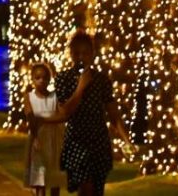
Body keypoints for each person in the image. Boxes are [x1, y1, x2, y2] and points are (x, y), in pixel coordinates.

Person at [44, 32, 130, 196]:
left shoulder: (101, 80)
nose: (81, 57)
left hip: (98, 140)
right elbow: (65, 112)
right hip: (77, 141)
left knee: (97, 189)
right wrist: (80, 87)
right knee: (86, 187)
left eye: (85, 53)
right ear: (71, 54)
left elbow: (113, 113)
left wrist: (126, 140)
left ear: (92, 54)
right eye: (77, 53)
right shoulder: (64, 78)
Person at [22, 63, 61, 196]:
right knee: (40, 179)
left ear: (49, 79)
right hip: (38, 139)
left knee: (54, 179)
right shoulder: (29, 97)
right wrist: (36, 138)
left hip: (53, 141)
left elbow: (61, 115)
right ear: (32, 79)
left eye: (45, 78)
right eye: (37, 78)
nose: (41, 81)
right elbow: (30, 118)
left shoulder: (54, 97)